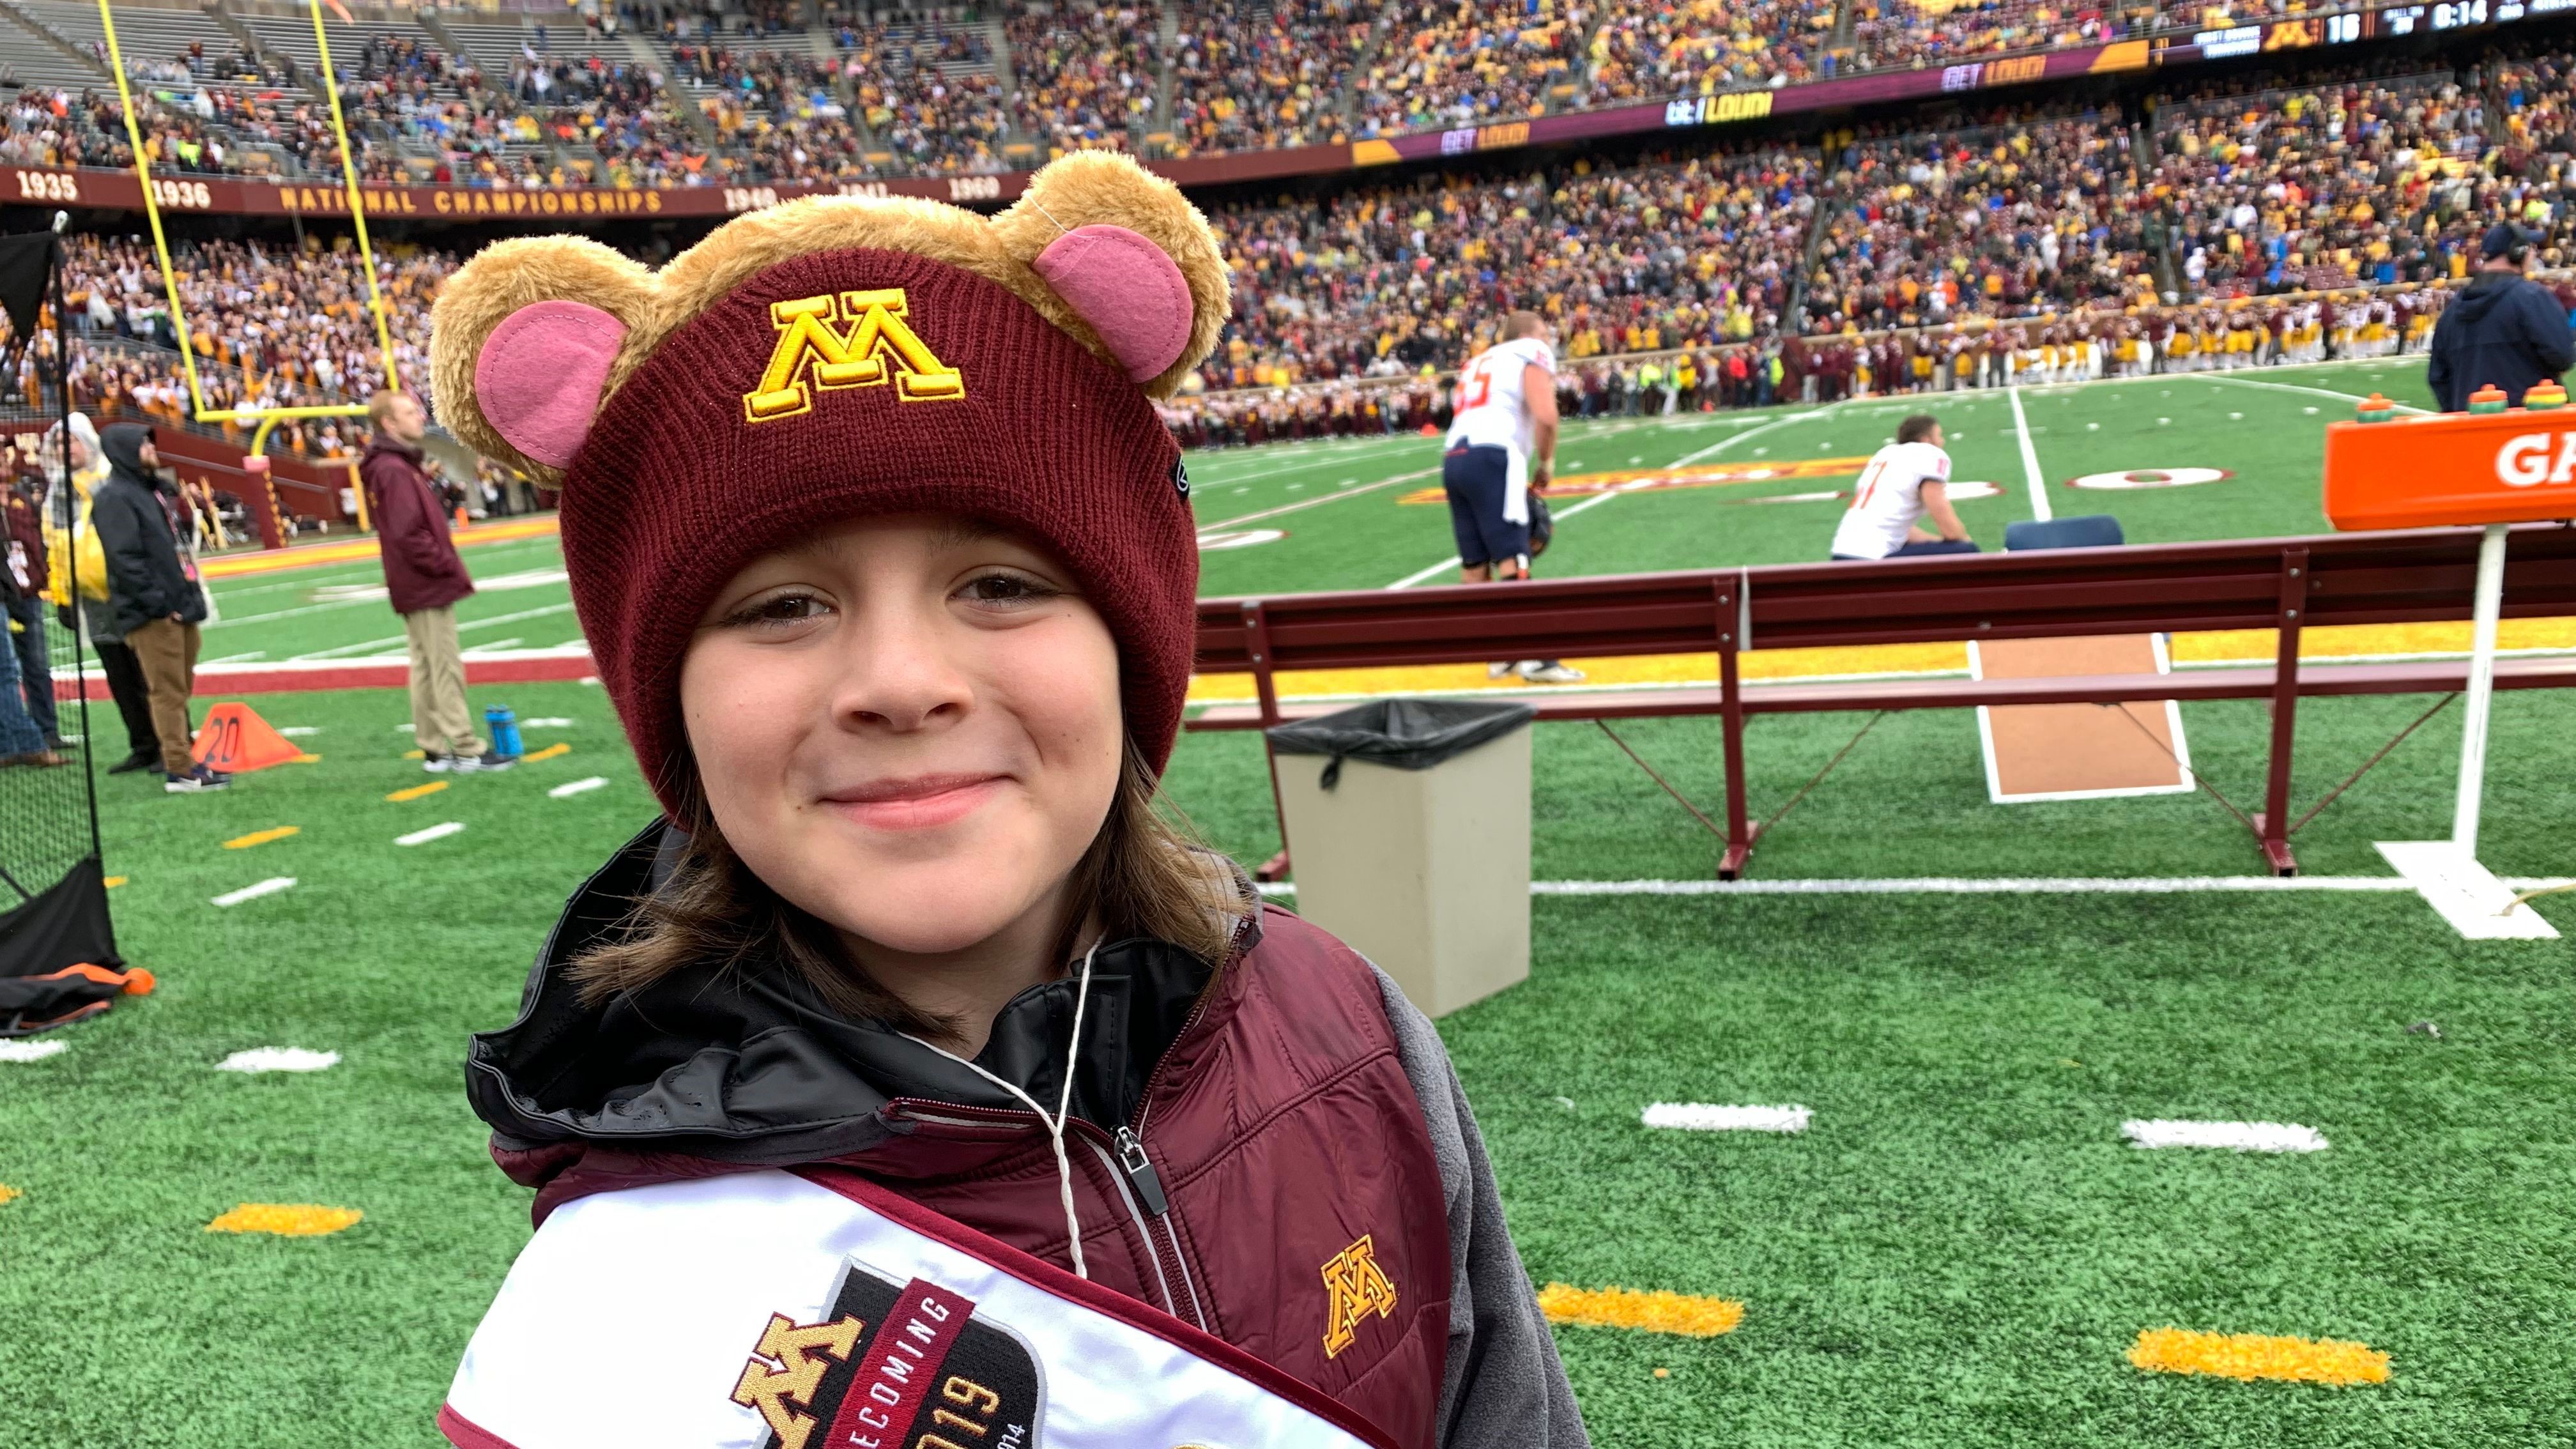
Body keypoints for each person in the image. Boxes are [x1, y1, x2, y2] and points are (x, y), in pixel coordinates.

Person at [425, 152, 1588, 1449]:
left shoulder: (1357, 1032)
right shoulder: (617, 1316)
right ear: (674, 707)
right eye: (783, 606)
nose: (901, 683)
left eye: (1001, 584)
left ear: (1128, 647)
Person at [360, 388, 509, 772]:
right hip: (424, 581)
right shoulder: (393, 469)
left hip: (415, 582)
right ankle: (465, 746)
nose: (420, 417)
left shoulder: (393, 465)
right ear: (389, 423)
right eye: (410, 412)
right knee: (443, 666)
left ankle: (433, 745)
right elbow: (409, 534)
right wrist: (444, 563)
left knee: (426, 666)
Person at [1443, 310, 1583, 685]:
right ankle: (1537, 657)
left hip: (1454, 457)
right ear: (1529, 334)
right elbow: (1547, 416)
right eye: (1544, 331)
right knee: (1513, 553)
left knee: (1474, 564)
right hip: (1495, 453)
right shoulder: (1530, 351)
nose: (1549, 337)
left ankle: (1501, 653)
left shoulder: (1479, 359)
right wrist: (1547, 462)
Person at [90, 423, 224, 792]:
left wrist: (189, 598)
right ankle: (179, 767)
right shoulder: (115, 497)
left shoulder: (151, 492)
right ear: (124, 450)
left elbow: (177, 551)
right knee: (166, 690)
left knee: (179, 687)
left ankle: (185, 759)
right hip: (153, 613)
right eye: (143, 443)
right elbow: (125, 560)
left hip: (177, 605)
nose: (151, 448)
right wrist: (160, 604)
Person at [42, 414, 158, 773]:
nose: (66, 450)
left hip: (126, 589)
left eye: (71, 441)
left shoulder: (111, 480)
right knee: (118, 675)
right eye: (60, 444)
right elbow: (56, 547)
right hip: (92, 597)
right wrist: (63, 596)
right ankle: (142, 744)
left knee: (149, 672)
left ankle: (172, 741)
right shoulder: (57, 492)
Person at [2426, 223, 2576, 412]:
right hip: (2528, 430)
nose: (2533, 254)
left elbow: (2438, 378)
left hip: (2471, 428)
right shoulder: (2532, 297)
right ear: (2518, 252)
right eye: (2531, 248)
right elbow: (2563, 356)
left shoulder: (2453, 310)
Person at [1830, 414, 1977, 562]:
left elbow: (1898, 530)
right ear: (1926, 441)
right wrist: (1964, 541)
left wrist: (1936, 541)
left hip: (1841, 554)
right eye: (1939, 436)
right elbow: (1949, 529)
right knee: (1967, 551)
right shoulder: (1929, 454)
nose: (1942, 441)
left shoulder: (1884, 454)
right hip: (1873, 558)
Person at [3, 473, 62, 749]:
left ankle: (47, 730)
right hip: (3, 597)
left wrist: (42, 577)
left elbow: (38, 541)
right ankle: (13, 738)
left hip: (28, 594)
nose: (4, 456)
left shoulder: (21, 499)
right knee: (6, 670)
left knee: (37, 665)